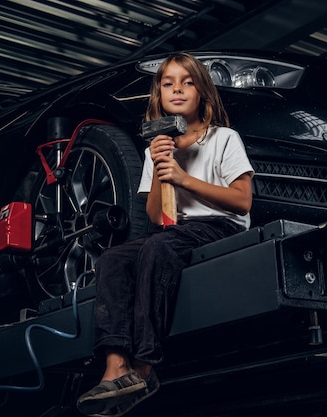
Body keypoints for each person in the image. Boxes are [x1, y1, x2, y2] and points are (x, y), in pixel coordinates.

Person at [76, 52, 254, 417]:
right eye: (168, 83)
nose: (177, 89)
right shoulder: (156, 147)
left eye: (187, 82)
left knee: (157, 249)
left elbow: (242, 202)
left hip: (219, 225)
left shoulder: (223, 138)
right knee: (112, 258)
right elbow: (157, 217)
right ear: (158, 95)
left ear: (202, 92)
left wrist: (185, 179)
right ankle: (115, 367)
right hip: (177, 229)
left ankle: (144, 367)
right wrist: (160, 166)